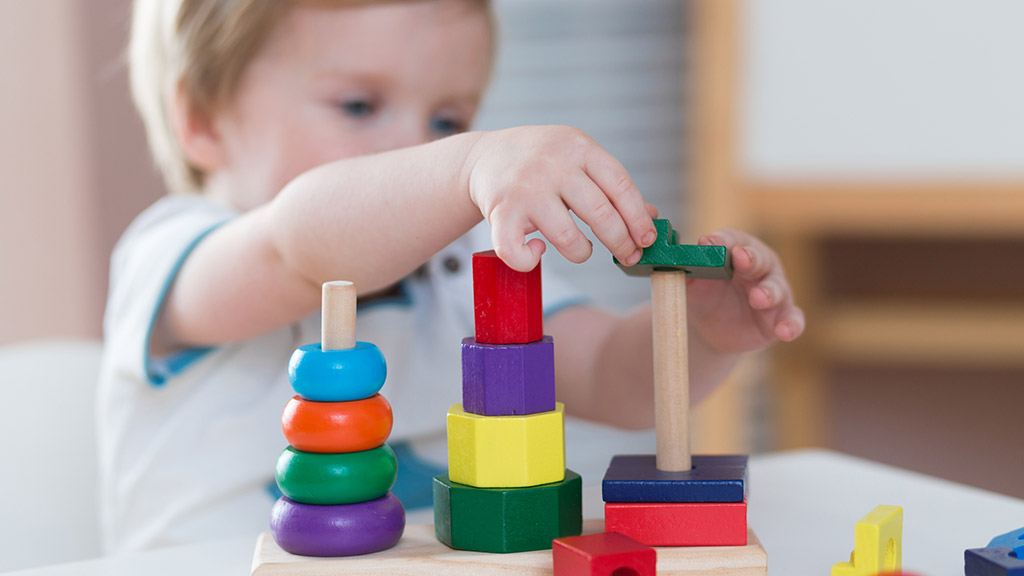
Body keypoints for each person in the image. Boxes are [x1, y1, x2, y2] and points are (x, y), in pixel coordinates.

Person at [99, 0, 805, 553]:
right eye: (358, 105)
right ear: (201, 119)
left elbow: (611, 376)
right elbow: (299, 243)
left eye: (447, 120)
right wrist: (466, 164)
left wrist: (703, 332)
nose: (413, 149)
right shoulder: (174, 253)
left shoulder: (456, 270)